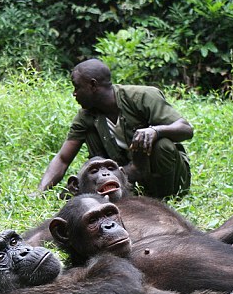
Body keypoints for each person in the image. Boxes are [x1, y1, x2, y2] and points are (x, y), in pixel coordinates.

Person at [38, 59, 193, 199]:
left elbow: (186, 129)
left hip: (165, 177)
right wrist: (40, 192)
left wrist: (155, 131)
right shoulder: (86, 116)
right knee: (91, 146)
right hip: (125, 175)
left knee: (163, 145)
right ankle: (122, 192)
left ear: (93, 85)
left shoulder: (142, 97)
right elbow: (63, 158)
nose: (74, 93)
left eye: (77, 87)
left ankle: (163, 198)